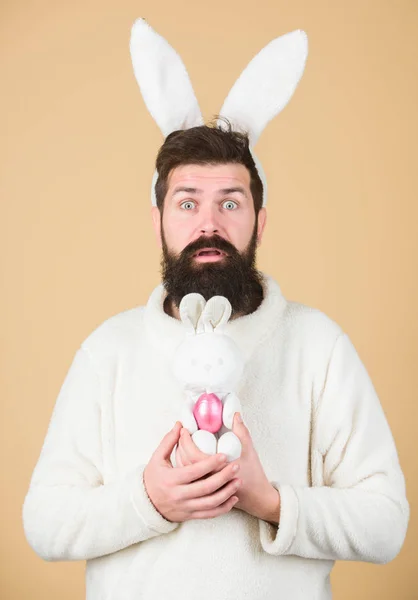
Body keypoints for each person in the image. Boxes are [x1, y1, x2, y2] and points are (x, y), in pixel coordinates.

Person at [22, 19, 409, 600]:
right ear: (157, 223)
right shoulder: (108, 350)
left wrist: (270, 502)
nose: (209, 223)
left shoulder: (318, 345)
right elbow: (44, 522)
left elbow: (387, 523)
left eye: (231, 201)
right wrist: (147, 501)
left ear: (260, 220)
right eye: (186, 203)